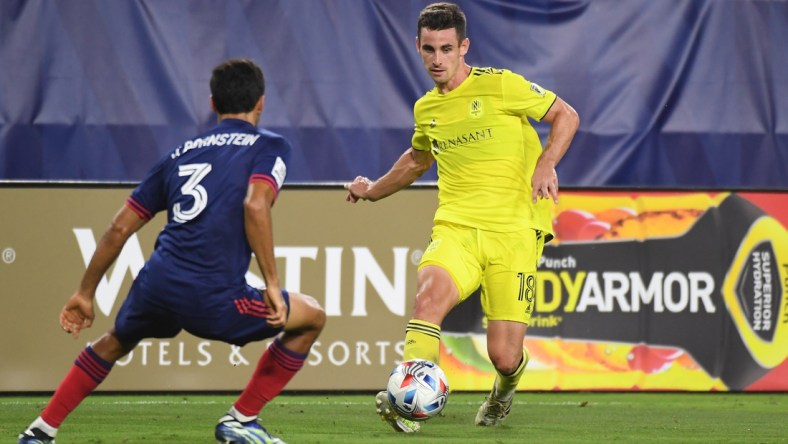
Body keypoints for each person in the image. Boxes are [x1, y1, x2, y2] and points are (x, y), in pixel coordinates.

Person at [18, 58, 326, 444]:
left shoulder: (180, 154)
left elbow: (119, 228)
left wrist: (85, 292)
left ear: (212, 103)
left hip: (158, 284)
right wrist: (272, 282)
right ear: (261, 103)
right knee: (312, 316)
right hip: (212, 295)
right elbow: (255, 204)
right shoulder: (269, 145)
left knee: (113, 341)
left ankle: (40, 430)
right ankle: (241, 419)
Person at [344, 2, 579, 433]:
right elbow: (416, 161)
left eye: (446, 49)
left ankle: (502, 394)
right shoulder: (426, 110)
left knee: (505, 357)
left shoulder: (502, 86)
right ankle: (408, 402)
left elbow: (567, 115)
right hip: (457, 228)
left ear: (463, 47)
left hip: (515, 230)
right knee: (428, 299)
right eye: (429, 49)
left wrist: (546, 163)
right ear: (417, 46)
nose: (437, 59)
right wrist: (372, 190)